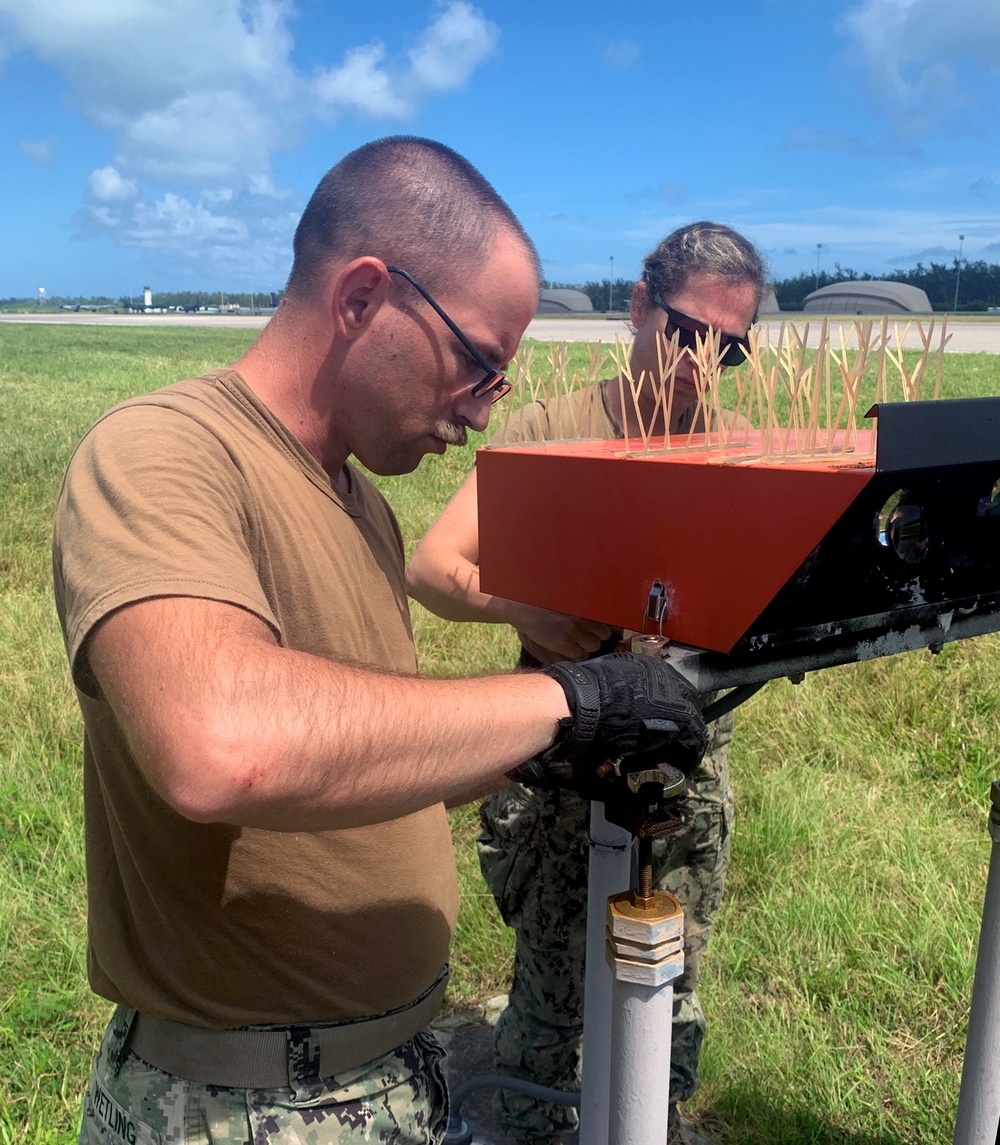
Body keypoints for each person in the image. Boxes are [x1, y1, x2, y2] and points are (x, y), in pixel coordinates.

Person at [53, 136, 709, 1145]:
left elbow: (358, 755)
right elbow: (222, 744)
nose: (485, 408)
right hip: (243, 1103)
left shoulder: (361, 500)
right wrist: (568, 700)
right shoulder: (165, 451)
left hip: (381, 1077)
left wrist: (548, 746)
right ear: (362, 297)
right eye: (478, 362)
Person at [406, 221, 767, 1145]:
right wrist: (528, 612)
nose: (699, 364)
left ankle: (648, 1113)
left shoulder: (738, 455)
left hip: (682, 771)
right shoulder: (555, 430)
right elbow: (436, 565)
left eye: (728, 348)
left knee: (670, 986)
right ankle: (529, 1121)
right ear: (640, 307)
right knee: (554, 995)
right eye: (686, 332)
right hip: (569, 765)